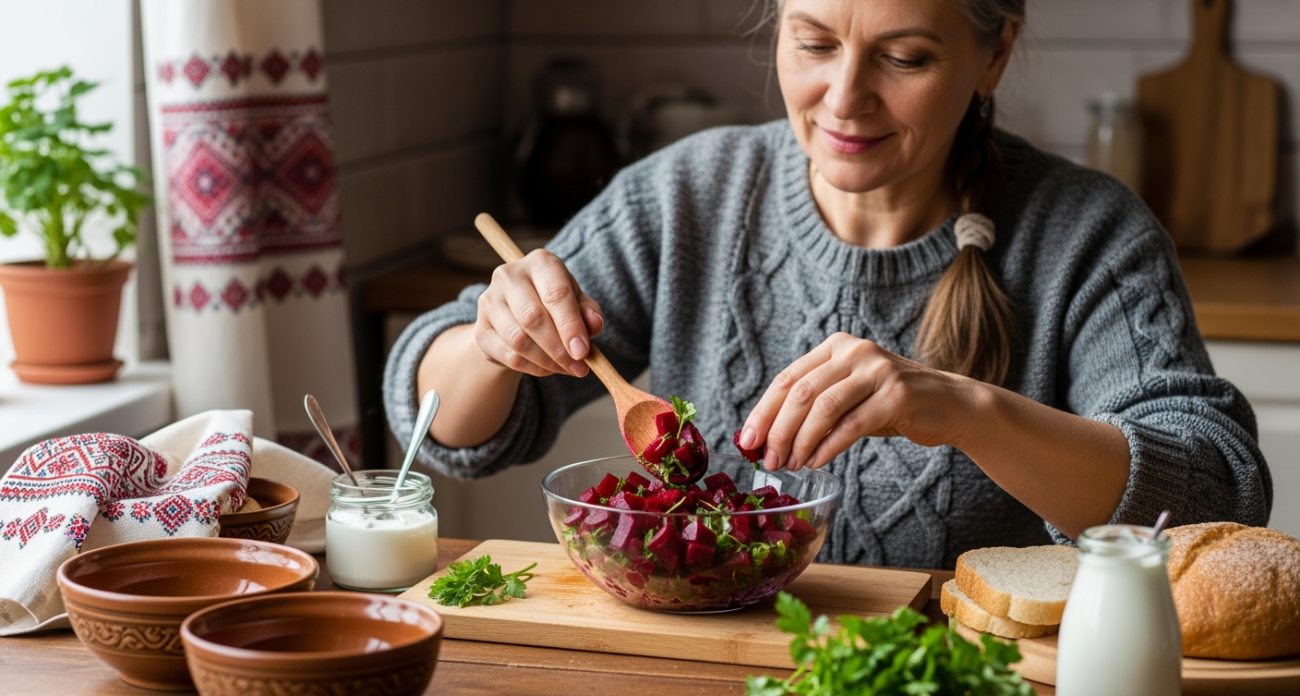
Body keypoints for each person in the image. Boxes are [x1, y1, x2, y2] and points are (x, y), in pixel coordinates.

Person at [383, 0, 1271, 568]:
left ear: (993, 55)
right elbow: (443, 419)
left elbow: (1215, 490)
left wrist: (967, 410)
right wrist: (494, 343)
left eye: (907, 58)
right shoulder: (689, 194)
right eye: (812, 43)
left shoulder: (1089, 235)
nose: (844, 98)